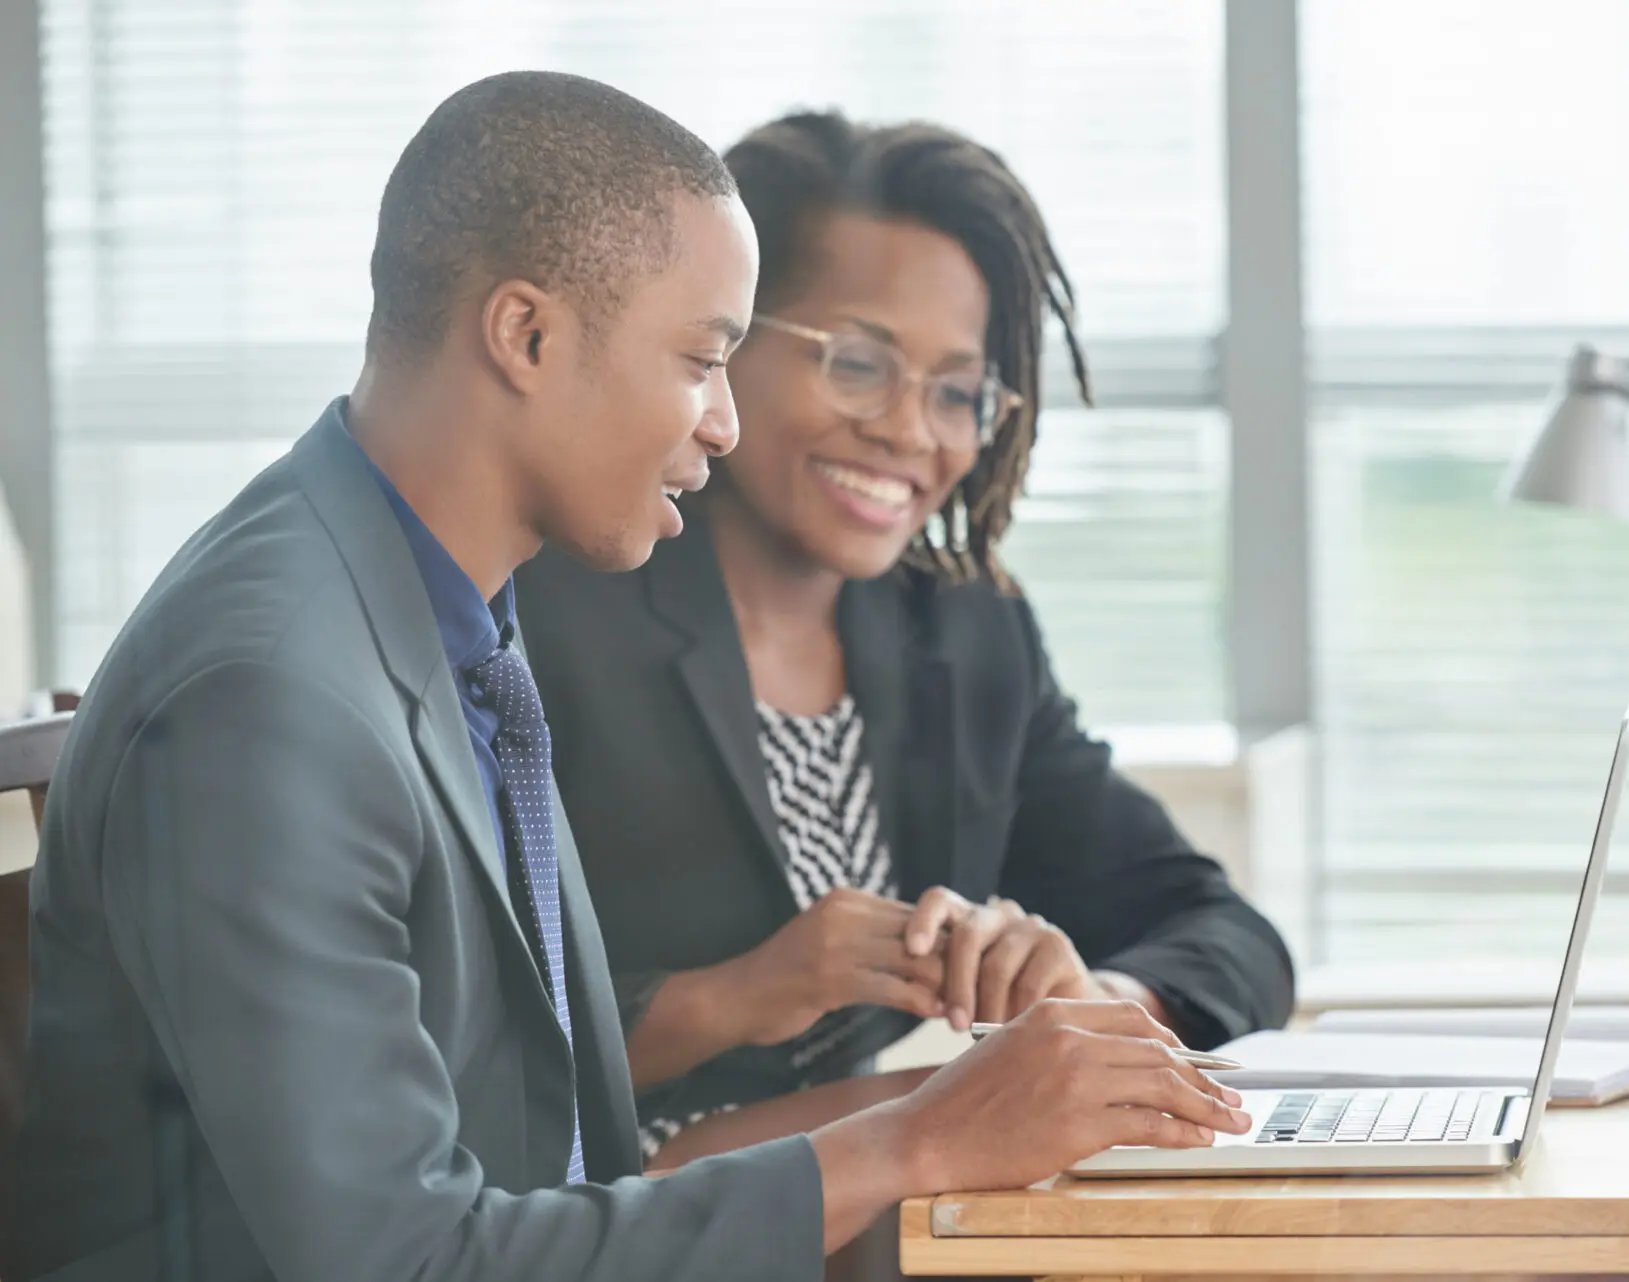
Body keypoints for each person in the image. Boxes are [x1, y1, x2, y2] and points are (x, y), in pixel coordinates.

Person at [5, 74, 1249, 1282]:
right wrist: (915, 1135)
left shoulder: (441, 611)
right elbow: (405, 1258)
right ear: (527, 334)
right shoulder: (269, 694)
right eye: (704, 361)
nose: (725, 422)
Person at [516, 110, 1294, 1170]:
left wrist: (1089, 1002)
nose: (911, 431)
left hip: (870, 1198)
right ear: (725, 342)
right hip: (597, 1210)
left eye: (959, 391)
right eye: (857, 362)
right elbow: (459, 1051)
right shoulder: (549, 606)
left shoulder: (964, 629)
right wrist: (744, 994)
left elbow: (1223, 932)